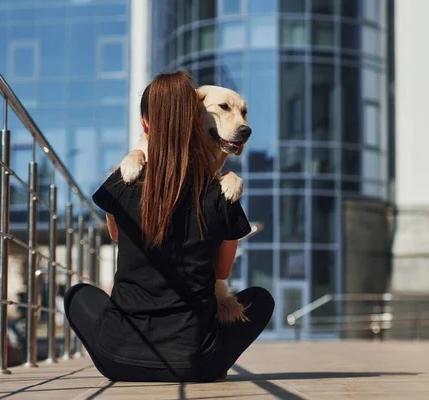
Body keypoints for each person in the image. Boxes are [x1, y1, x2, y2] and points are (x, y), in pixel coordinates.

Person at [63, 71, 274, 382]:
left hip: (118, 359)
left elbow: (116, 235)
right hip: (198, 364)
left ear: (145, 125)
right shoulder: (222, 197)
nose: (240, 122)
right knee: (261, 299)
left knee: (78, 294)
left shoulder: (120, 183)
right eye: (225, 110)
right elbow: (221, 273)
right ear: (194, 120)